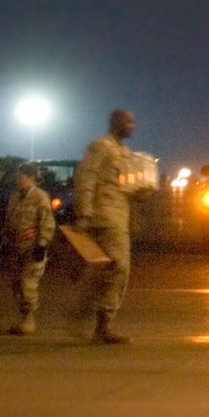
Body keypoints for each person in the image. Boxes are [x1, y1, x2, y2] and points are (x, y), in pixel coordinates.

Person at [72, 109, 152, 345]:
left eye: (134, 120)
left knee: (110, 269)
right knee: (118, 267)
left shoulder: (126, 153)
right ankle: (99, 321)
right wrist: (84, 213)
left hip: (120, 217)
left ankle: (93, 316)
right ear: (114, 122)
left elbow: (130, 188)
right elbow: (86, 179)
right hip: (103, 216)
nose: (132, 125)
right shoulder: (100, 147)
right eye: (127, 120)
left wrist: (143, 192)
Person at [1, 166, 57, 335]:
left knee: (28, 283)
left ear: (31, 178)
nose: (18, 181)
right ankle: (24, 317)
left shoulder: (40, 197)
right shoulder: (15, 197)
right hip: (16, 247)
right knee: (17, 284)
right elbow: (9, 220)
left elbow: (47, 222)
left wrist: (42, 244)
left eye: (22, 177)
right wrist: (5, 240)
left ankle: (28, 320)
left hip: (33, 247)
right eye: (17, 177)